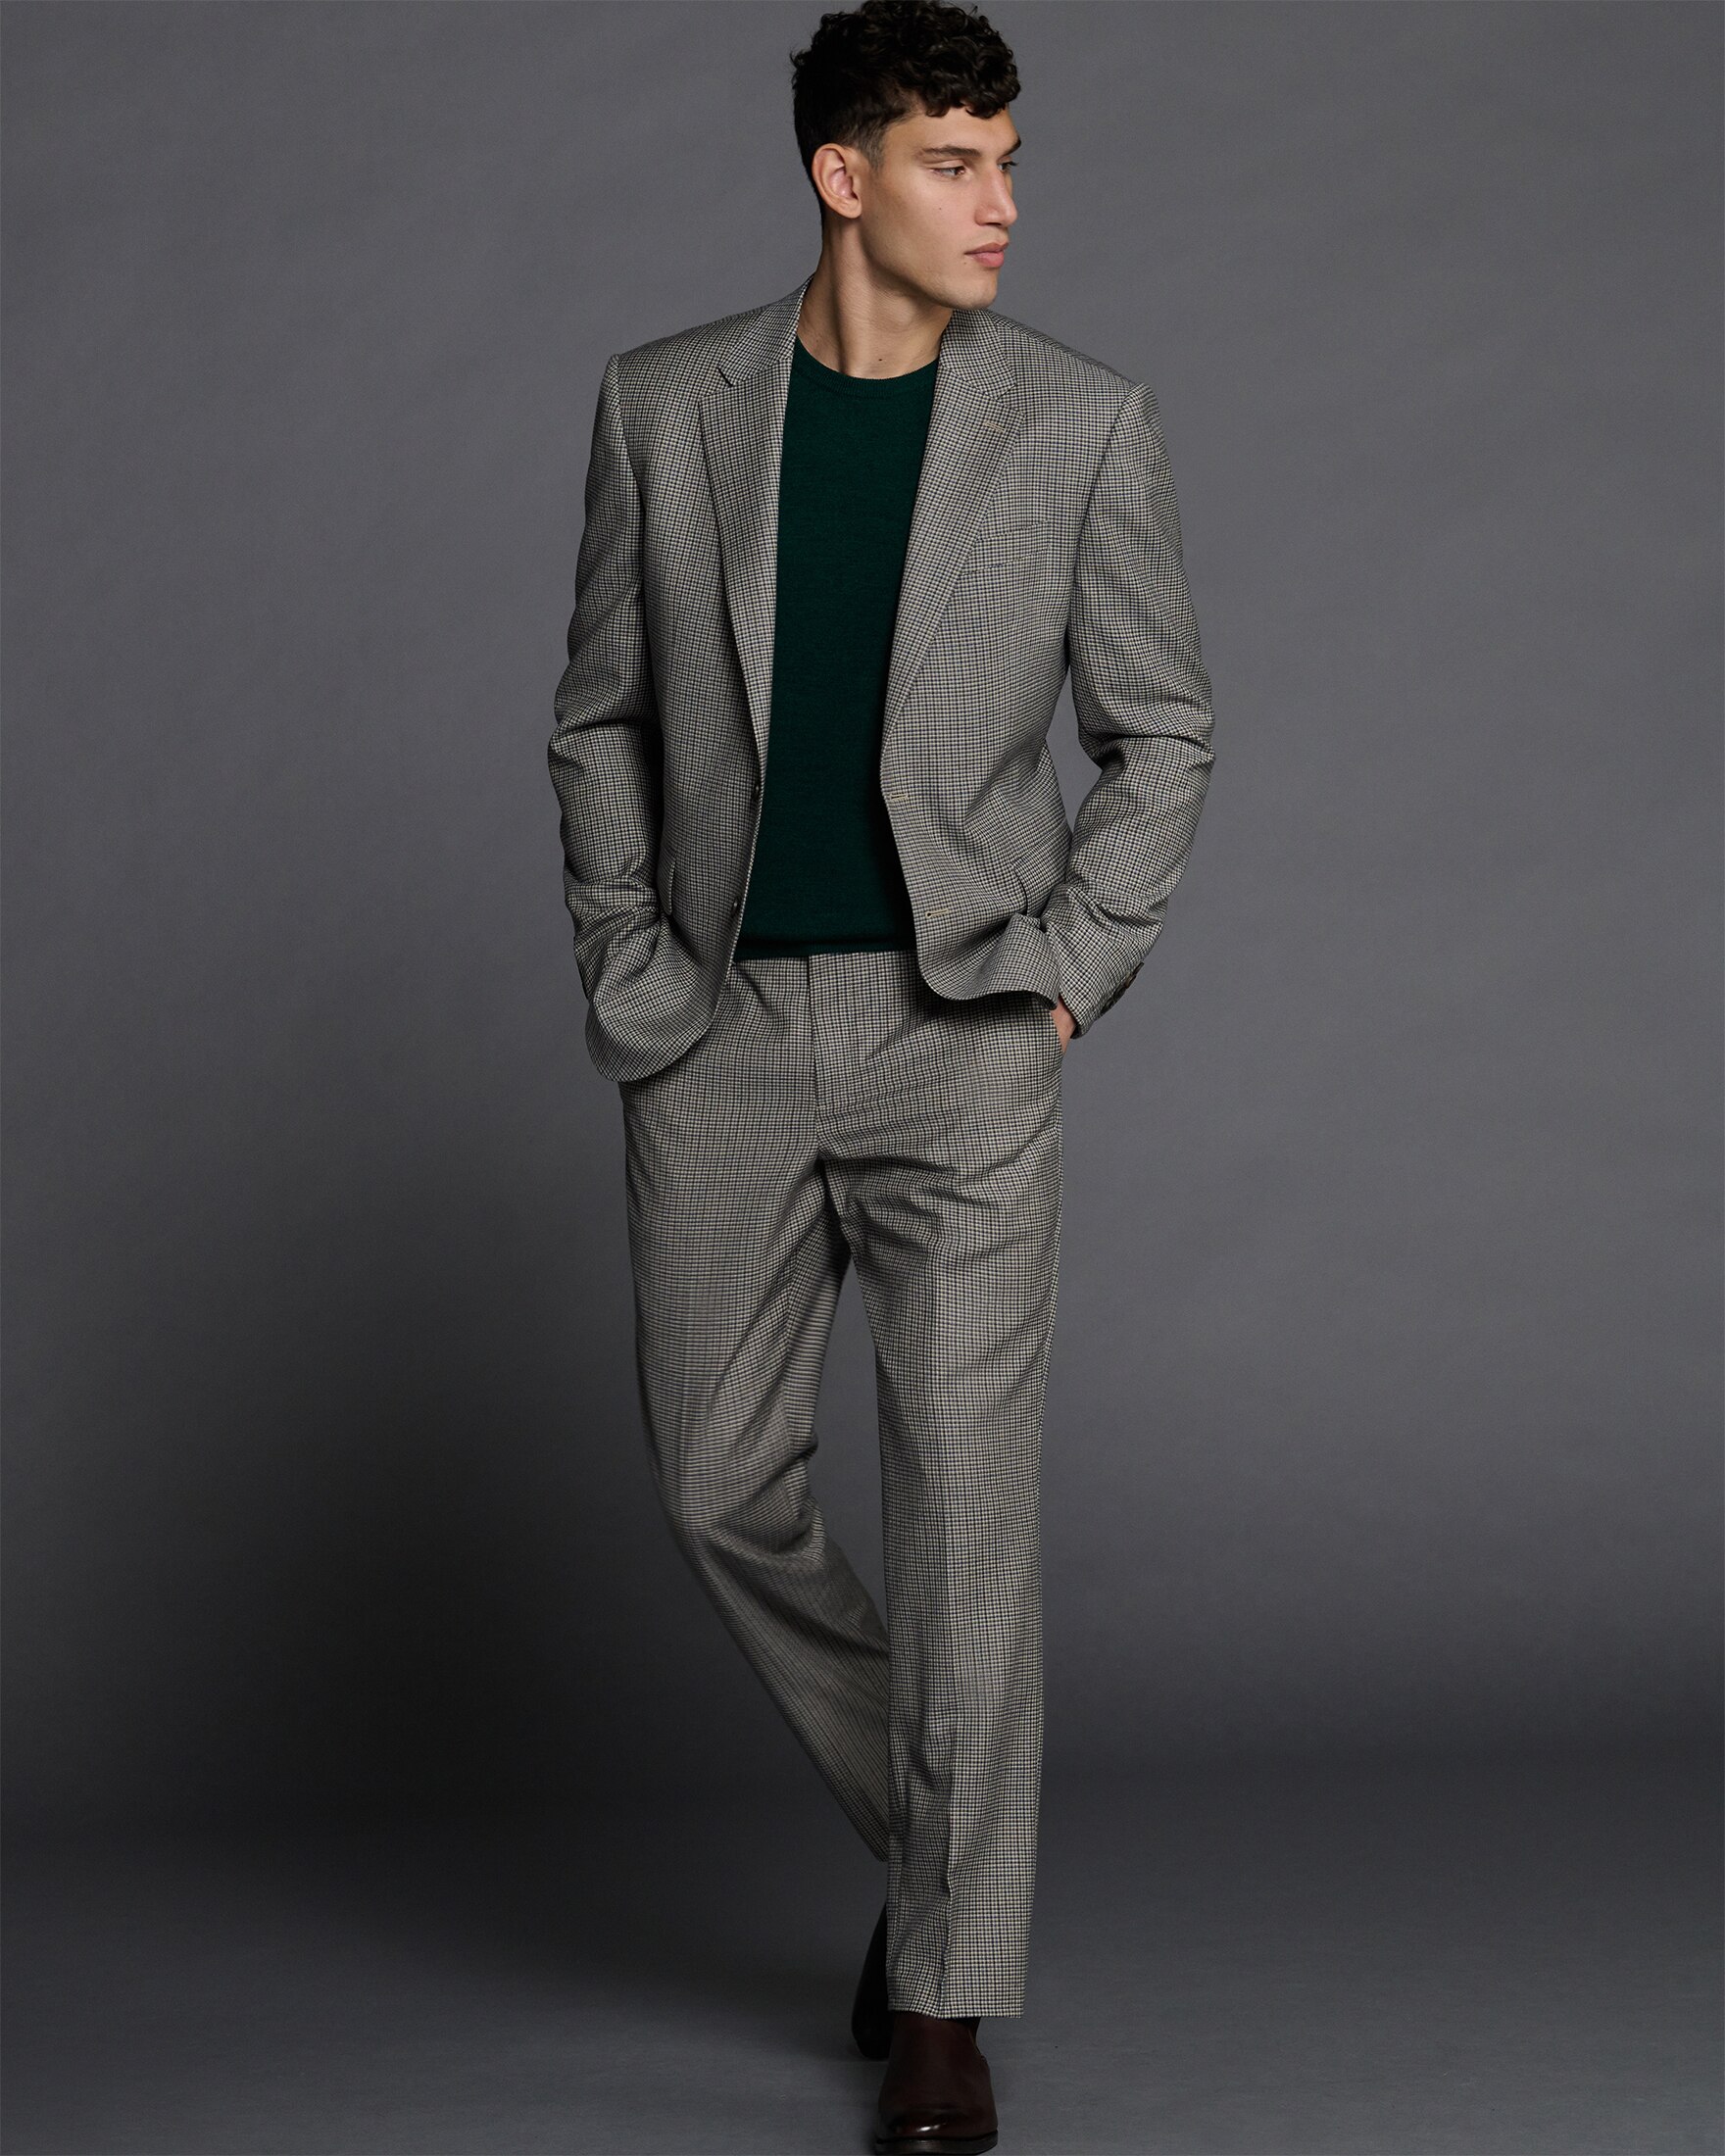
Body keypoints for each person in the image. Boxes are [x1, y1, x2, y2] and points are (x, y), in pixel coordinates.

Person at [547, 2, 1215, 2144]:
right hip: (722, 1037)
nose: (1002, 202)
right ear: (844, 177)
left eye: (1010, 158)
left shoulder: (1081, 424)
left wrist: (1067, 979)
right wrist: (630, 957)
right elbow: (599, 715)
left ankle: (944, 1999)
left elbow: (1161, 732)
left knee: (965, 1528)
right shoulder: (665, 407)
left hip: (963, 1045)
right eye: (954, 160)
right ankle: (941, 1866)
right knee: (713, 1487)